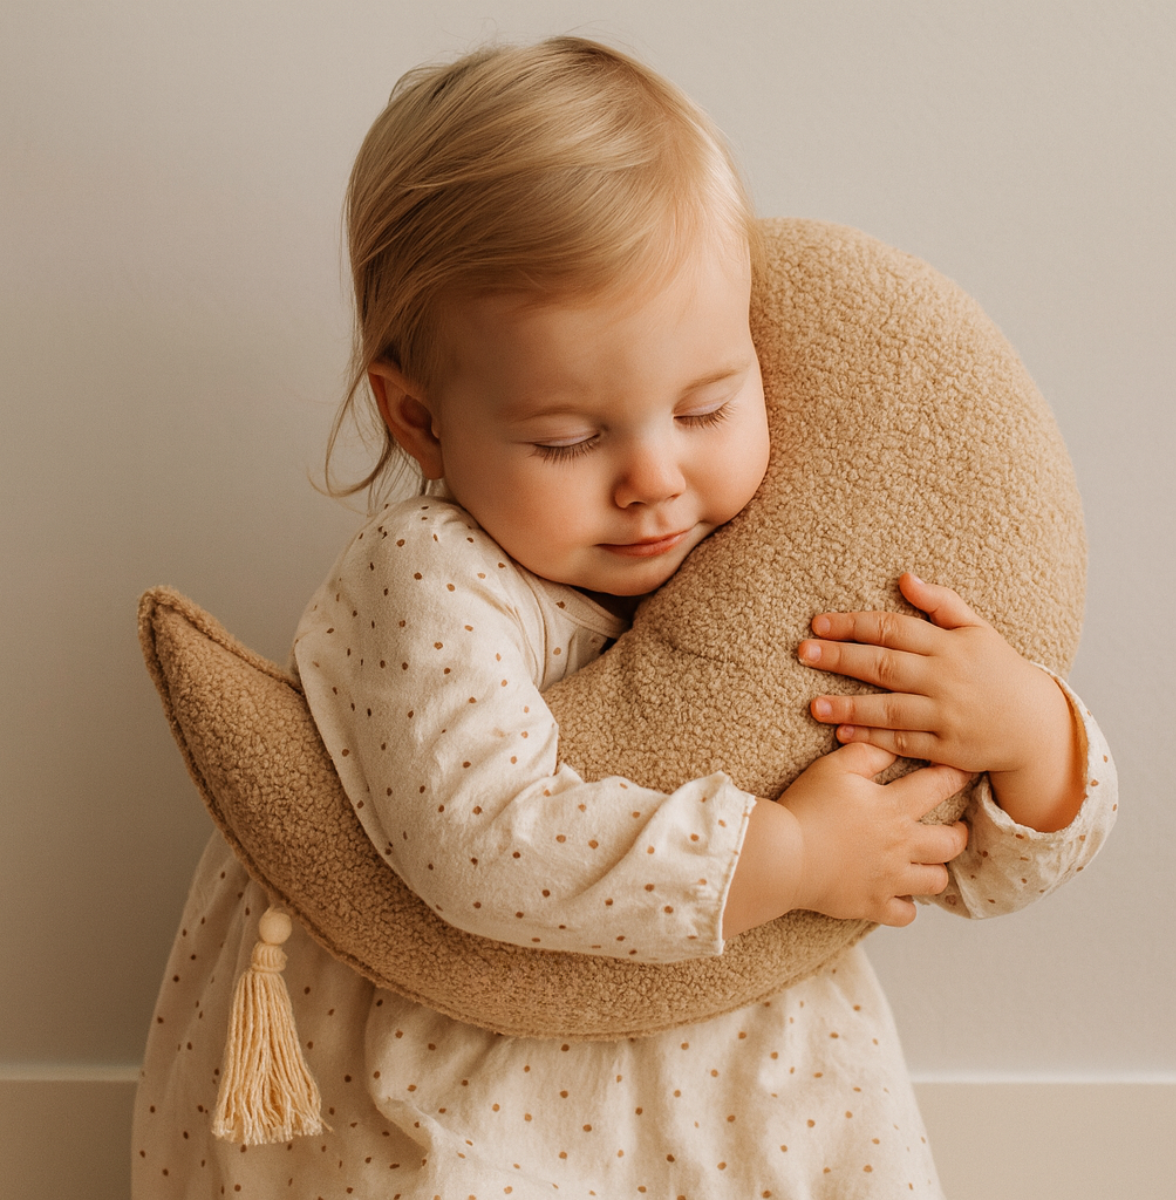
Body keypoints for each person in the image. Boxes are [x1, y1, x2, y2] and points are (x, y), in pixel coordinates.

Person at [133, 37, 1116, 1198]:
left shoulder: (783, 557)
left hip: (748, 1074)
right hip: (486, 1071)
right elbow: (482, 842)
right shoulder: (426, 576)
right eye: (569, 439)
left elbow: (963, 866)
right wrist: (792, 854)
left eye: (706, 408)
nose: (655, 478)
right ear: (422, 422)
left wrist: (1029, 735)